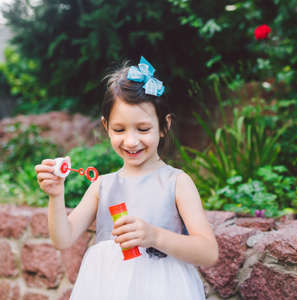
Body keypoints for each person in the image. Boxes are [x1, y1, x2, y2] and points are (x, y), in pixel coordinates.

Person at [35, 57, 218, 299]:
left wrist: (155, 236)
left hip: (163, 290)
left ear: (164, 126)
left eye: (143, 129)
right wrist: (56, 195)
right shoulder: (103, 185)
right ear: (106, 126)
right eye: (119, 130)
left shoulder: (177, 182)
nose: (131, 141)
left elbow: (208, 252)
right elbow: (63, 238)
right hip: (108, 287)